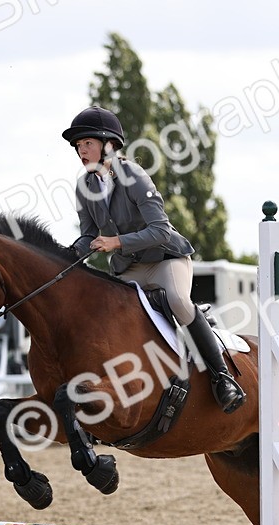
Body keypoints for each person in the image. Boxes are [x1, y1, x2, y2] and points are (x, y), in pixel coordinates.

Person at [62, 105, 245, 413]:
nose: (81, 151)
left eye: (87, 144)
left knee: (177, 300)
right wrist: (64, 256)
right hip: (128, 269)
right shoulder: (85, 187)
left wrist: (116, 242)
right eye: (78, 146)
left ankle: (222, 378)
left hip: (165, 260)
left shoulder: (133, 175)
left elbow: (159, 230)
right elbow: (88, 236)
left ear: (108, 145)